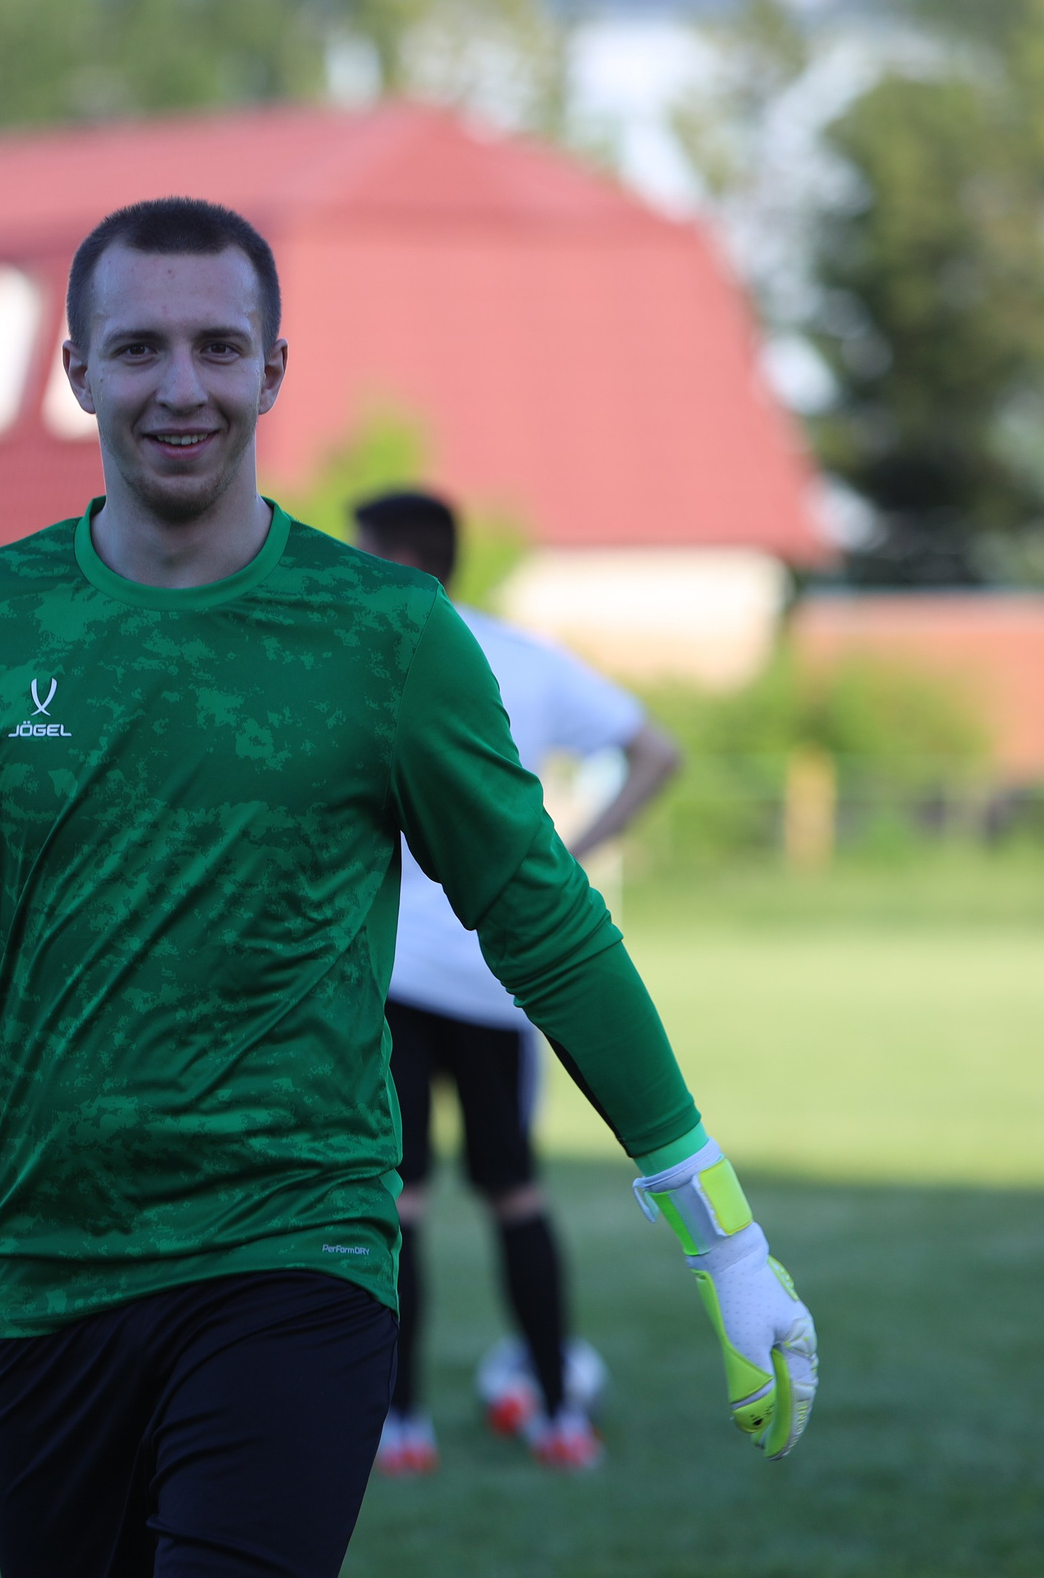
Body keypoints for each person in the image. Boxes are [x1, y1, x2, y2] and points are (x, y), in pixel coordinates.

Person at [0, 197, 817, 1578]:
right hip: (46, 1266)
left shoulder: (384, 632)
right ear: (75, 370)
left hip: (295, 1252)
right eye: (138, 347)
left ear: (272, 370)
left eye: (217, 346)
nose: (180, 386)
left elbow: (545, 925)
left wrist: (721, 1234)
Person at [351, 490, 684, 1477]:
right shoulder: (525, 658)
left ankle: (399, 1427)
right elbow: (658, 751)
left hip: (399, 975)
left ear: (396, 561)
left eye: (360, 554)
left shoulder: (367, 655)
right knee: (516, 1193)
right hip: (500, 975)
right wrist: (571, 857)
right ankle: (559, 1417)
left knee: (400, 1200)